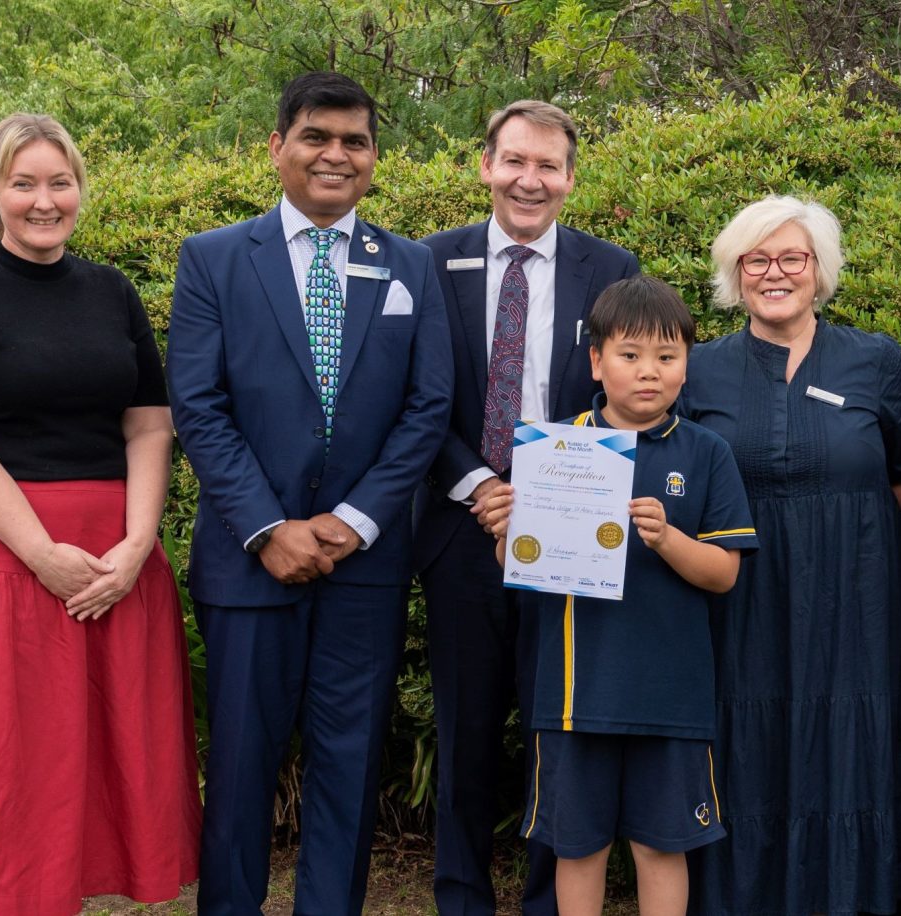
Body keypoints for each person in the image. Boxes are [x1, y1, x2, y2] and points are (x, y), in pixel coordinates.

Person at [0, 113, 201, 914]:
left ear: (80, 191)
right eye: (24, 183)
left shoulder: (112, 291)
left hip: (114, 557)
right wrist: (42, 554)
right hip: (0, 558)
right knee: (6, 767)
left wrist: (136, 545)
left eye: (60, 182)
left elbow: (150, 425)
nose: (44, 201)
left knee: (96, 766)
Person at [166, 71, 453, 915]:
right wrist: (267, 527)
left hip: (362, 567)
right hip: (248, 565)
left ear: (373, 157)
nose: (336, 155)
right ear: (278, 147)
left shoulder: (410, 265)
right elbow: (200, 407)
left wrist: (352, 522)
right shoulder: (214, 258)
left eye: (355, 142)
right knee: (244, 763)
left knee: (348, 763)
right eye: (317, 138)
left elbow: (428, 406)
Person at [681, 196, 901, 915]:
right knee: (748, 738)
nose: (774, 272)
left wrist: (846, 532)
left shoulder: (877, 360)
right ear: (735, 273)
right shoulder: (698, 370)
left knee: (851, 743)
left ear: (819, 269)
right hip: (742, 595)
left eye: (791, 257)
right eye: (756, 259)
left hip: (856, 598)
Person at [415, 99, 640, 916]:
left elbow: (626, 398)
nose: (529, 179)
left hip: (573, 539)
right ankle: (462, 899)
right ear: (485, 165)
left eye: (548, 165)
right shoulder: (429, 263)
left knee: (560, 734)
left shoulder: (613, 268)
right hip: (460, 531)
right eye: (515, 161)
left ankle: (551, 901)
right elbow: (416, 400)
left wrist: (543, 497)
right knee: (466, 735)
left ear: (570, 179)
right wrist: (480, 486)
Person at [479, 276, 759, 916]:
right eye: (630, 356)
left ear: (688, 364)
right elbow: (520, 565)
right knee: (577, 849)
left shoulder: (707, 452)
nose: (649, 373)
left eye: (668, 357)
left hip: (673, 698)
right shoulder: (556, 448)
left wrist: (667, 538)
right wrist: (505, 531)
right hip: (577, 696)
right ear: (597, 361)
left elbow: (723, 574)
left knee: (664, 848)